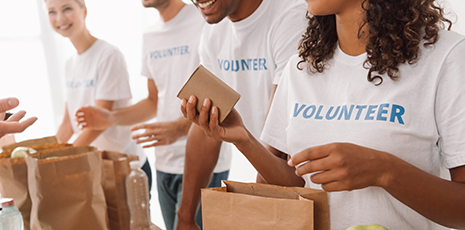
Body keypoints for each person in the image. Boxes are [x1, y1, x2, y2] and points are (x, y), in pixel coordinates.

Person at [181, 0, 465, 229]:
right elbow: (294, 186)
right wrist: (243, 139)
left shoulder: (447, 57)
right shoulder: (301, 68)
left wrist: (384, 170)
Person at [73, 0, 225, 229]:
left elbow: (221, 95)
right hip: (164, 164)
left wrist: (180, 127)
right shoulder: (150, 35)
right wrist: (111, 118)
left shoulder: (205, 20)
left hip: (206, 163)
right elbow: (154, 101)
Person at [176, 0, 308, 229]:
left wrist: (255, 212)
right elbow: (205, 128)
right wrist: (185, 218)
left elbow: (276, 139)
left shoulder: (290, 15)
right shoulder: (213, 31)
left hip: (303, 185)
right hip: (268, 175)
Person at [45, 0, 150, 186]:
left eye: (67, 8)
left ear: (84, 10)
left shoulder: (108, 55)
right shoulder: (70, 64)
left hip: (125, 166)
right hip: (96, 165)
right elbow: (68, 123)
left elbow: (98, 124)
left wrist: (60, 161)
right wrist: (45, 155)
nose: (59, 18)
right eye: (52, 11)